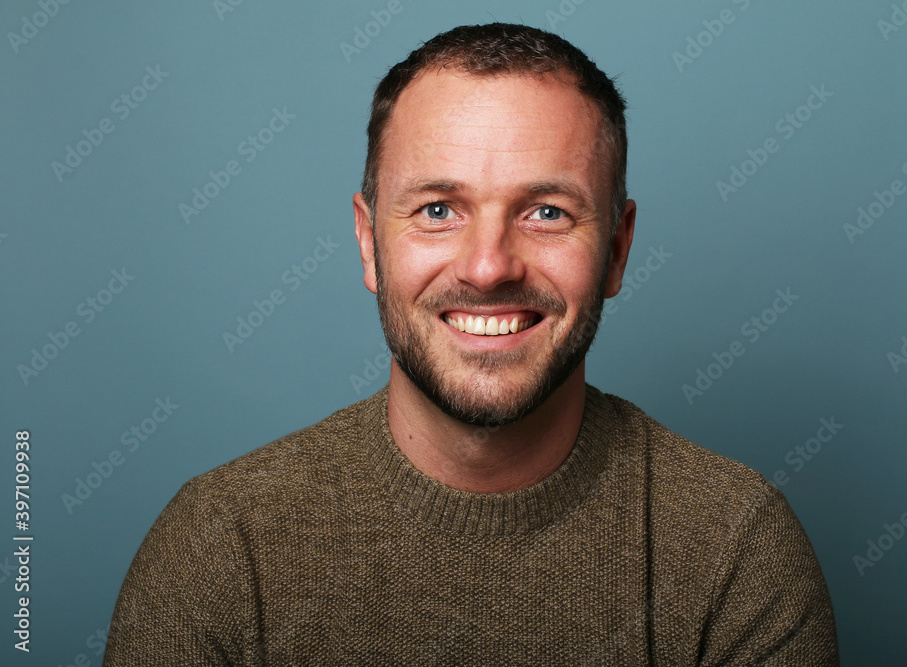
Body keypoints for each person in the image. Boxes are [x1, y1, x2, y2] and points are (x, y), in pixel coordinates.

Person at [104, 22, 839, 665]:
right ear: (368, 243)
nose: (489, 265)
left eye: (547, 211)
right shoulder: (220, 549)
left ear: (616, 249)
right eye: (438, 209)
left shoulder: (735, 551)